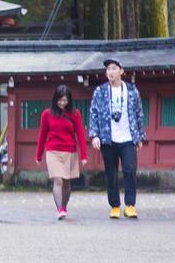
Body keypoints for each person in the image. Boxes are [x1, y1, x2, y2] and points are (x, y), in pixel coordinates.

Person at [88, 57, 146, 220]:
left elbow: (139, 113)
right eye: (108, 69)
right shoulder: (100, 91)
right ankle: (114, 206)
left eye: (114, 68)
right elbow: (93, 114)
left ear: (121, 71)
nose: (111, 72)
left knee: (129, 170)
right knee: (111, 173)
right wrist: (94, 135)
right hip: (108, 138)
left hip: (128, 137)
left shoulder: (132, 90)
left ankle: (130, 205)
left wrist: (140, 136)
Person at [36, 84, 87, 221]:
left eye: (65, 100)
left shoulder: (75, 114)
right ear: (55, 99)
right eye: (60, 100)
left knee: (66, 182)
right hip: (53, 151)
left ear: (69, 100)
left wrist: (84, 155)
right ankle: (59, 209)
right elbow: (42, 134)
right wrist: (38, 154)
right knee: (57, 179)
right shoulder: (47, 114)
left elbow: (80, 135)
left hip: (70, 151)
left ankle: (64, 207)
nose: (62, 103)